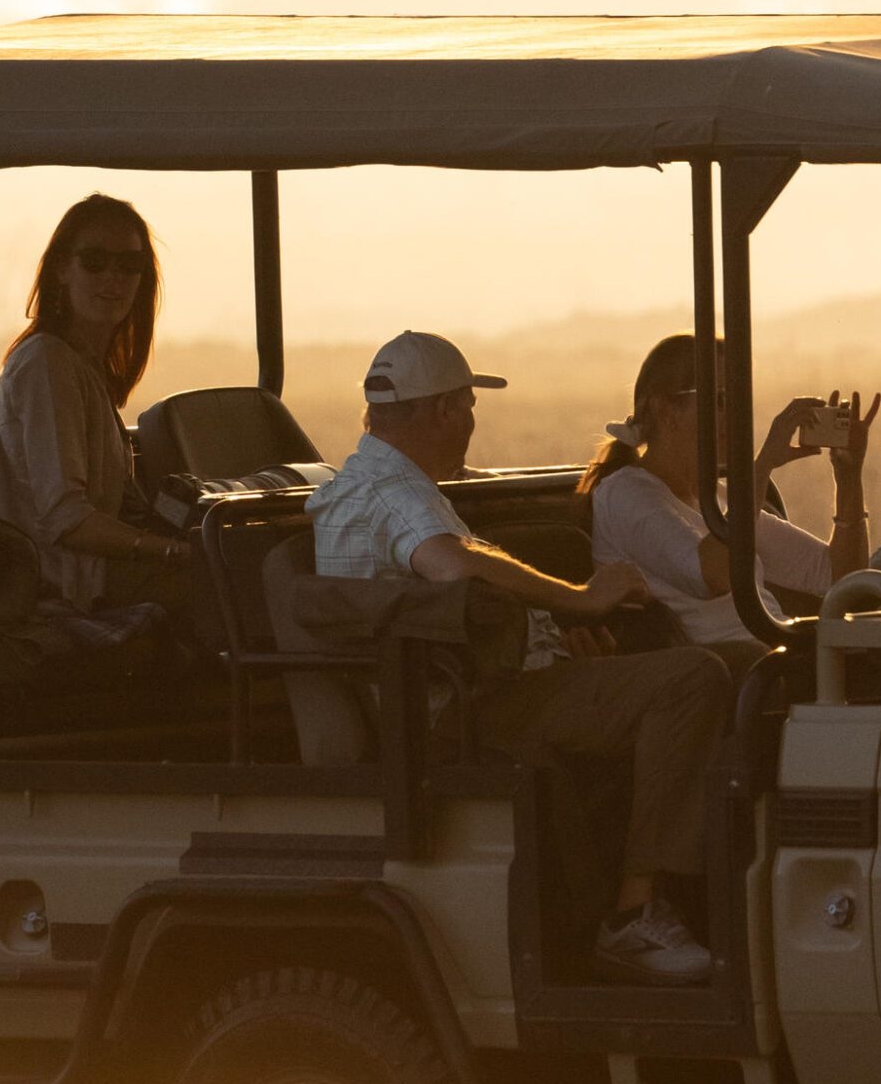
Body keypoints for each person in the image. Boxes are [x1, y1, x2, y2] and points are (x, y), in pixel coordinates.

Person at [308, 330, 733, 986]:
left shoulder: (358, 485)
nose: (473, 424)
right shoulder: (396, 493)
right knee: (693, 680)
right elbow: (453, 565)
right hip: (468, 704)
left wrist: (555, 634)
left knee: (652, 674)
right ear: (445, 411)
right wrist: (582, 600)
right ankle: (633, 913)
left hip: (463, 686)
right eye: (469, 408)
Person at [581, 334, 880, 670]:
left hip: (769, 658)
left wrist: (848, 478)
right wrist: (763, 465)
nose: (735, 417)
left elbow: (840, 575)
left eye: (739, 401)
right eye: (720, 400)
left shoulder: (717, 497)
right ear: (665, 410)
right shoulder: (626, 494)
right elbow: (714, 575)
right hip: (721, 673)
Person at [0, 194, 194, 612]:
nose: (113, 279)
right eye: (95, 262)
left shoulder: (83, 366)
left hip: (97, 571)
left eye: (129, 266)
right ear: (62, 268)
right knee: (236, 586)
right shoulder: (46, 365)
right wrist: (168, 551)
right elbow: (65, 519)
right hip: (68, 583)